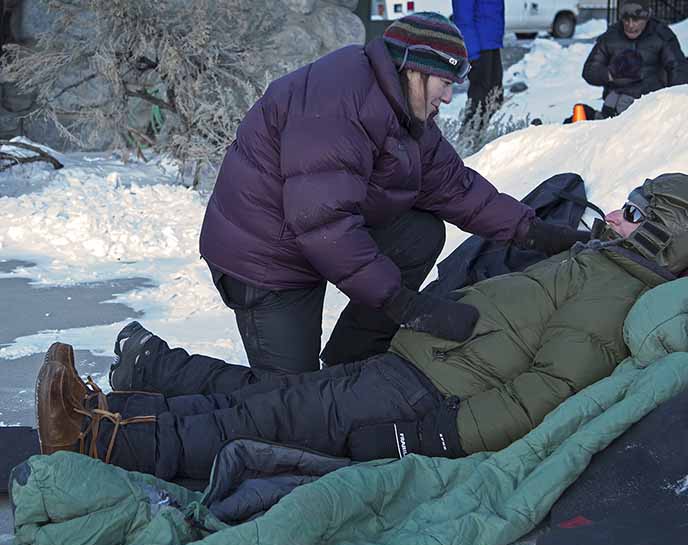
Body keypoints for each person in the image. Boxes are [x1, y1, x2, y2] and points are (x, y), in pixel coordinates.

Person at [36, 173, 688, 481]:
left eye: (633, 210)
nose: (612, 214)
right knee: (262, 401)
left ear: (665, 231)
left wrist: (434, 434)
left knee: (263, 421)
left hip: (427, 396)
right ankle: (108, 410)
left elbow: (545, 391)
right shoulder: (603, 265)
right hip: (421, 368)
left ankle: (92, 441)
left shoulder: (615, 292)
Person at [198, 11, 588, 376]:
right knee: (290, 401)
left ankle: (351, 360)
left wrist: (540, 233)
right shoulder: (338, 102)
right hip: (266, 260)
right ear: (415, 69)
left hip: (313, 239)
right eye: (446, 83)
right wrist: (402, 304)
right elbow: (325, 220)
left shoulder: (403, 109)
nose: (449, 98)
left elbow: (457, 188)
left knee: (420, 232)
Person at [582, 0, 688, 118]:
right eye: (626, 20)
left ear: (647, 17)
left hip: (648, 105)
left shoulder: (661, 35)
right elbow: (589, 70)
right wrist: (610, 74)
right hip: (613, 102)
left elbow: (678, 67)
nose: (630, 25)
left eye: (636, 20)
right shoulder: (611, 36)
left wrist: (673, 102)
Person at [452, 0, 505, 135]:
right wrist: (471, 53)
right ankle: (468, 139)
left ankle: (480, 135)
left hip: (492, 43)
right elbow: (462, 16)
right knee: (479, 99)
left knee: (495, 95)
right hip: (478, 46)